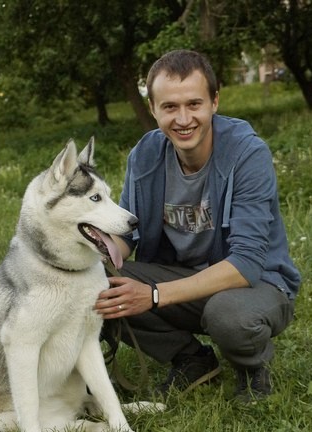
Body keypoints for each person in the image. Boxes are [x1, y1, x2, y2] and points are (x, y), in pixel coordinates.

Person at [94, 49, 300, 403]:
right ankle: (191, 359)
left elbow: (247, 264)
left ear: (214, 102)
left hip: (255, 284)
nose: (183, 119)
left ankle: (252, 368)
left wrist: (154, 295)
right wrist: (95, 254)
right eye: (170, 107)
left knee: (227, 314)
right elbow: (128, 233)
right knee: (97, 280)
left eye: (194, 104)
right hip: (181, 277)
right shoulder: (145, 154)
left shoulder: (247, 154)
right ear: (154, 109)